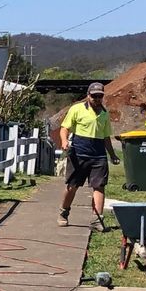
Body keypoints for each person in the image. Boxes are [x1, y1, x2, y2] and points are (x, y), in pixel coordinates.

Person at [56, 80, 121, 229]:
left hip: (98, 155)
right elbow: (64, 128)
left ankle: (97, 219)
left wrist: (112, 155)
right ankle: (64, 211)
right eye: (94, 96)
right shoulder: (76, 109)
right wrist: (64, 141)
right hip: (78, 153)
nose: (97, 99)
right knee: (72, 186)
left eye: (99, 96)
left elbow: (106, 137)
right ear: (88, 95)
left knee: (99, 186)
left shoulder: (104, 114)